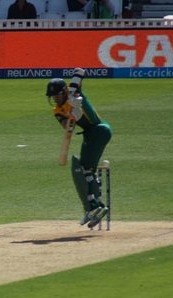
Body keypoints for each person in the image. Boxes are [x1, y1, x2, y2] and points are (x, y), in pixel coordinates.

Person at [46, 68, 111, 228]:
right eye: (52, 96)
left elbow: (79, 72)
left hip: (98, 129)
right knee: (87, 170)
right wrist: (73, 116)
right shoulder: (57, 110)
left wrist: (76, 97)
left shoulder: (75, 94)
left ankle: (95, 207)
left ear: (65, 90)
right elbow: (68, 129)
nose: (55, 98)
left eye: (58, 95)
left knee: (81, 169)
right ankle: (96, 207)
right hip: (90, 134)